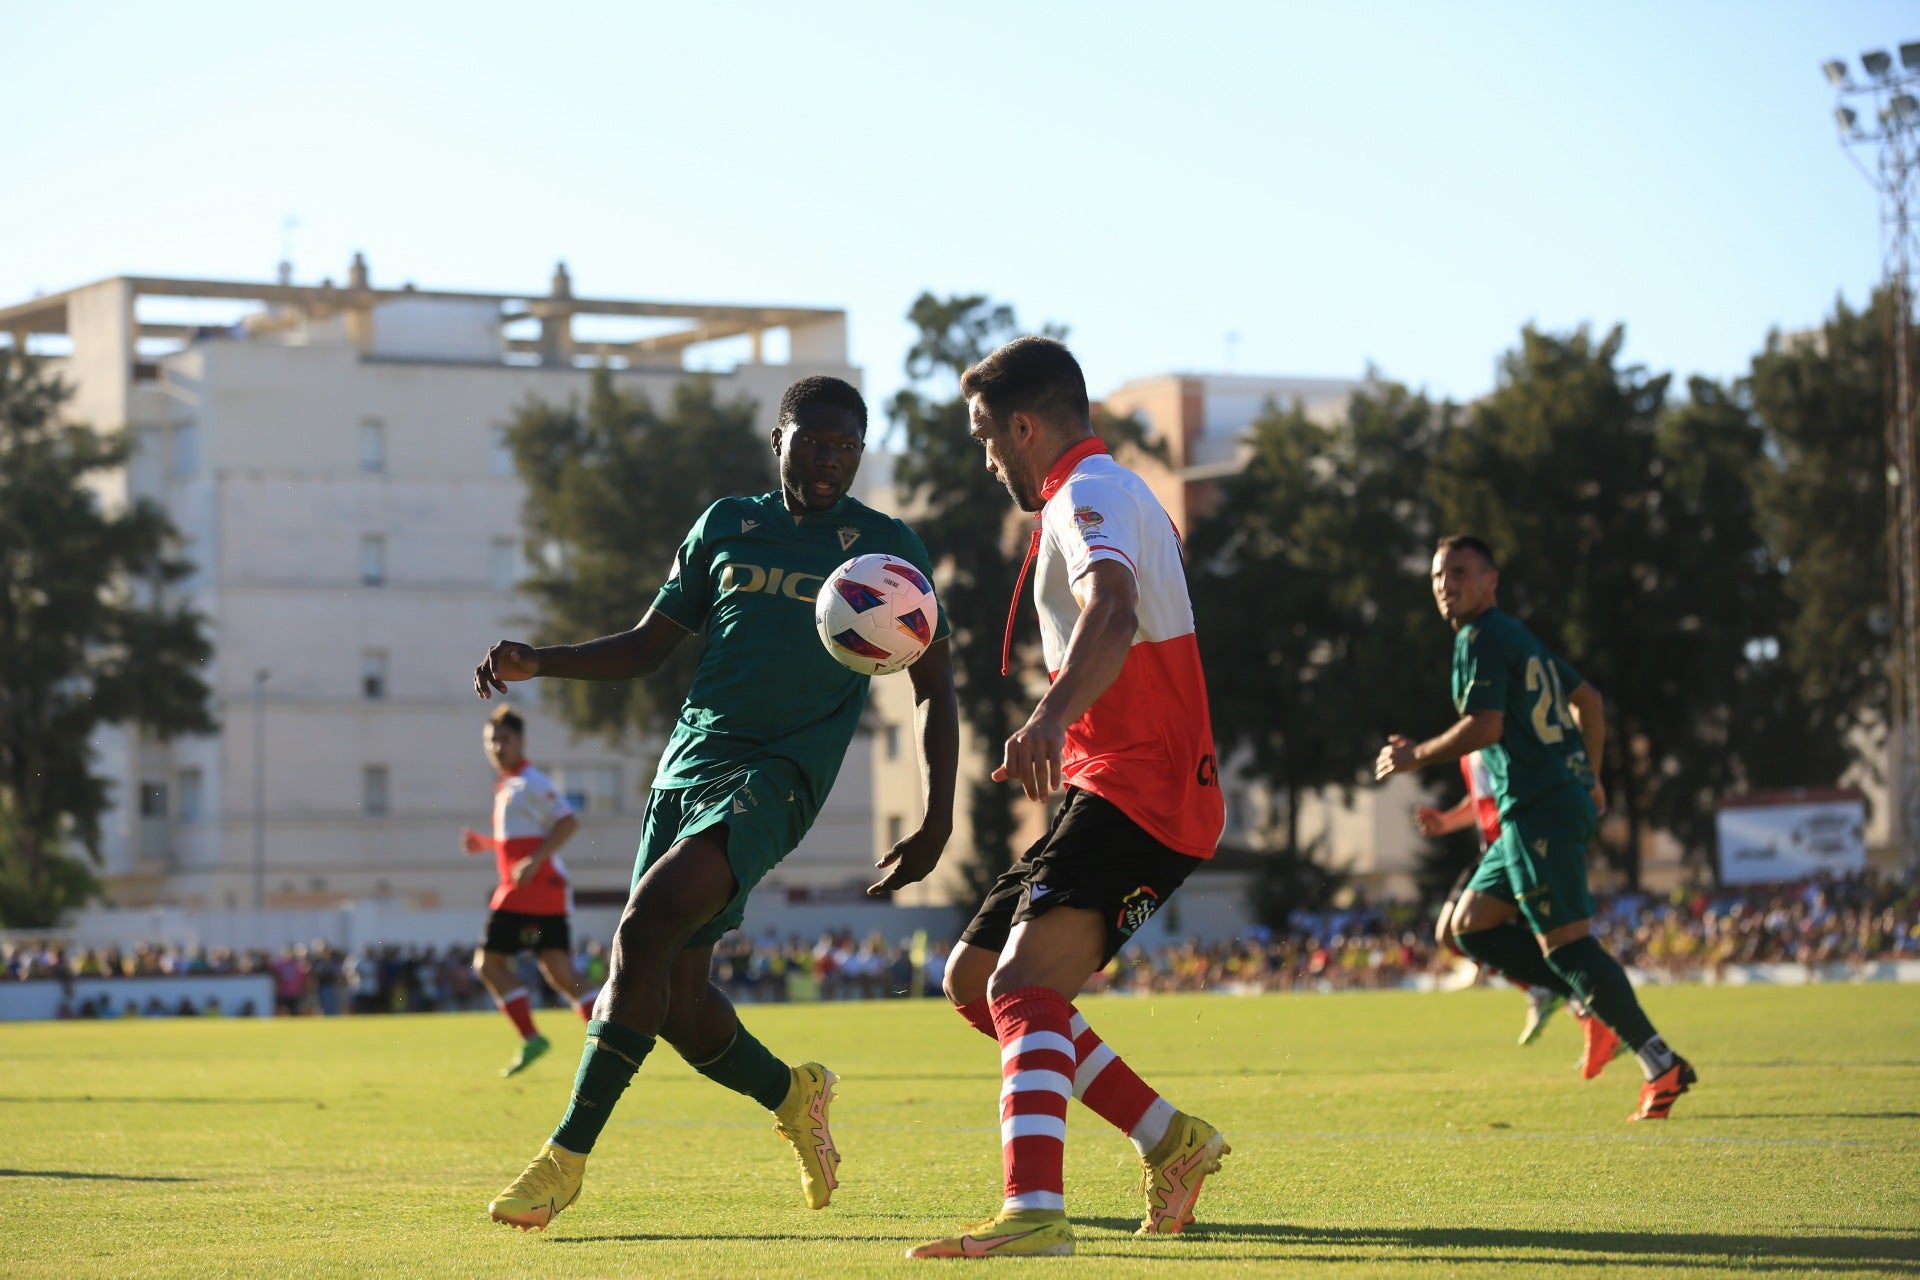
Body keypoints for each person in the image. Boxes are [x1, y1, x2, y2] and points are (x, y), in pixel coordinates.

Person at [477, 375, 959, 1231]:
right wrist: (540, 659)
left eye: (846, 447)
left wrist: (937, 819)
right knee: (675, 1001)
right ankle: (795, 1093)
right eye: (811, 440)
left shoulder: (886, 550)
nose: (827, 459)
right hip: (689, 766)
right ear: (777, 439)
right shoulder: (727, 526)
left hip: (780, 777)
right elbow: (643, 649)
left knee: (640, 932)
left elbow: (934, 692)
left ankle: (563, 1162)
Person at [911, 337, 1228, 1260]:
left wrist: (1050, 719)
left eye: (986, 436)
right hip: (1117, 779)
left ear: (1023, 424)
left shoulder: (1086, 495)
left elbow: (1114, 608)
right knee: (976, 982)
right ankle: (1172, 1141)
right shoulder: (1111, 491)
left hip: (1144, 787)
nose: (987, 458)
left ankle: (1034, 1215)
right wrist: (1065, 733)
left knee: (1019, 984)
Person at [1375, 535, 1695, 1122]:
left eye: (1461, 572)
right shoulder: (1517, 636)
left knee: (1568, 944)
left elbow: (1486, 726)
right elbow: (1589, 701)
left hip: (1537, 805)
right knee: (1469, 927)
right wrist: (1591, 778)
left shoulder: (1479, 637)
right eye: (1439, 577)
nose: (1447, 585)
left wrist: (1417, 755)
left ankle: (1658, 1060)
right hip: (1544, 803)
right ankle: (1584, 1002)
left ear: (1491, 580)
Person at [1417, 749, 1594, 1048]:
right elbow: (1480, 797)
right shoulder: (1473, 733)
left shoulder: (1498, 726)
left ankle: (1597, 1013)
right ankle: (1548, 991)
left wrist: (1418, 753)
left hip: (1517, 847)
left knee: (1550, 942)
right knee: (1451, 935)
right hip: (1491, 852)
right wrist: (1446, 822)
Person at [461, 704, 598, 1076]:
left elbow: (568, 822)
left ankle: (532, 1038)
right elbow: (523, 839)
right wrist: (487, 845)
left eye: (505, 739)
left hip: (528, 891)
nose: (498, 747)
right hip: (541, 891)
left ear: (521, 741)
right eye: (492, 741)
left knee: (488, 964)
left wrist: (534, 863)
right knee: (560, 972)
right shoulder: (510, 787)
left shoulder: (531, 783)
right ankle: (608, 1040)